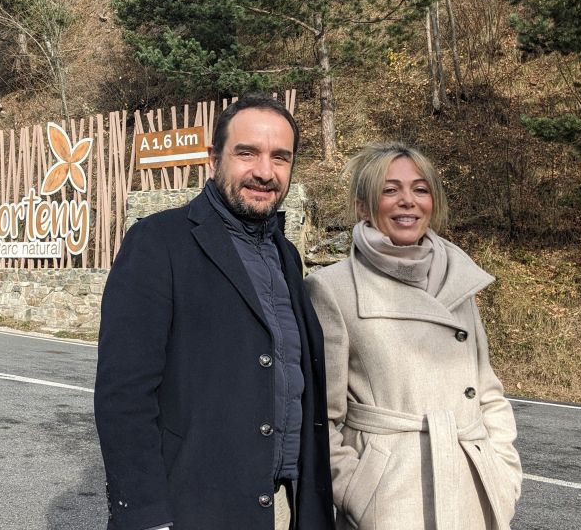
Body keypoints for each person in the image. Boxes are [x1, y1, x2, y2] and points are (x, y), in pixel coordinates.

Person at [94, 94, 336, 530]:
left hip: (283, 507)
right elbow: (124, 395)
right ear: (213, 159)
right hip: (192, 509)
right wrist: (146, 517)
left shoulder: (286, 255)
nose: (265, 172)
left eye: (280, 158)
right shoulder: (158, 243)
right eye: (247, 153)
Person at [305, 142, 522, 530]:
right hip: (389, 501)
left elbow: (488, 392)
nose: (408, 201)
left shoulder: (459, 280)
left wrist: (503, 473)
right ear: (363, 206)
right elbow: (320, 417)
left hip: (472, 490)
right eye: (390, 190)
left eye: (420, 189)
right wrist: (358, 492)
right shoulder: (332, 289)